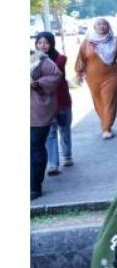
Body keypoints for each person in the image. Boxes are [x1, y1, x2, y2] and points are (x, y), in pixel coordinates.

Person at [74, 18, 117, 140]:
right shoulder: (87, 42)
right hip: (93, 79)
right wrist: (78, 73)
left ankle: (106, 128)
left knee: (109, 101)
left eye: (105, 24)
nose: (102, 26)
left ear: (109, 27)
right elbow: (81, 58)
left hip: (111, 77)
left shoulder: (115, 42)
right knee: (98, 102)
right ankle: (105, 122)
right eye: (99, 24)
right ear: (94, 27)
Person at [35, 31, 73, 174]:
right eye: (39, 43)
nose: (42, 46)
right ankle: (53, 164)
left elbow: (55, 72)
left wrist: (41, 60)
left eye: (46, 42)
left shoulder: (61, 58)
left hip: (62, 100)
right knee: (51, 133)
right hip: (46, 102)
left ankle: (67, 155)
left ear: (51, 44)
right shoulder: (33, 60)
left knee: (65, 129)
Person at [30, 49, 62, 199]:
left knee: (35, 146)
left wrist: (37, 83)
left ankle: (34, 186)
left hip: (37, 110)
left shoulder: (39, 59)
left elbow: (56, 75)